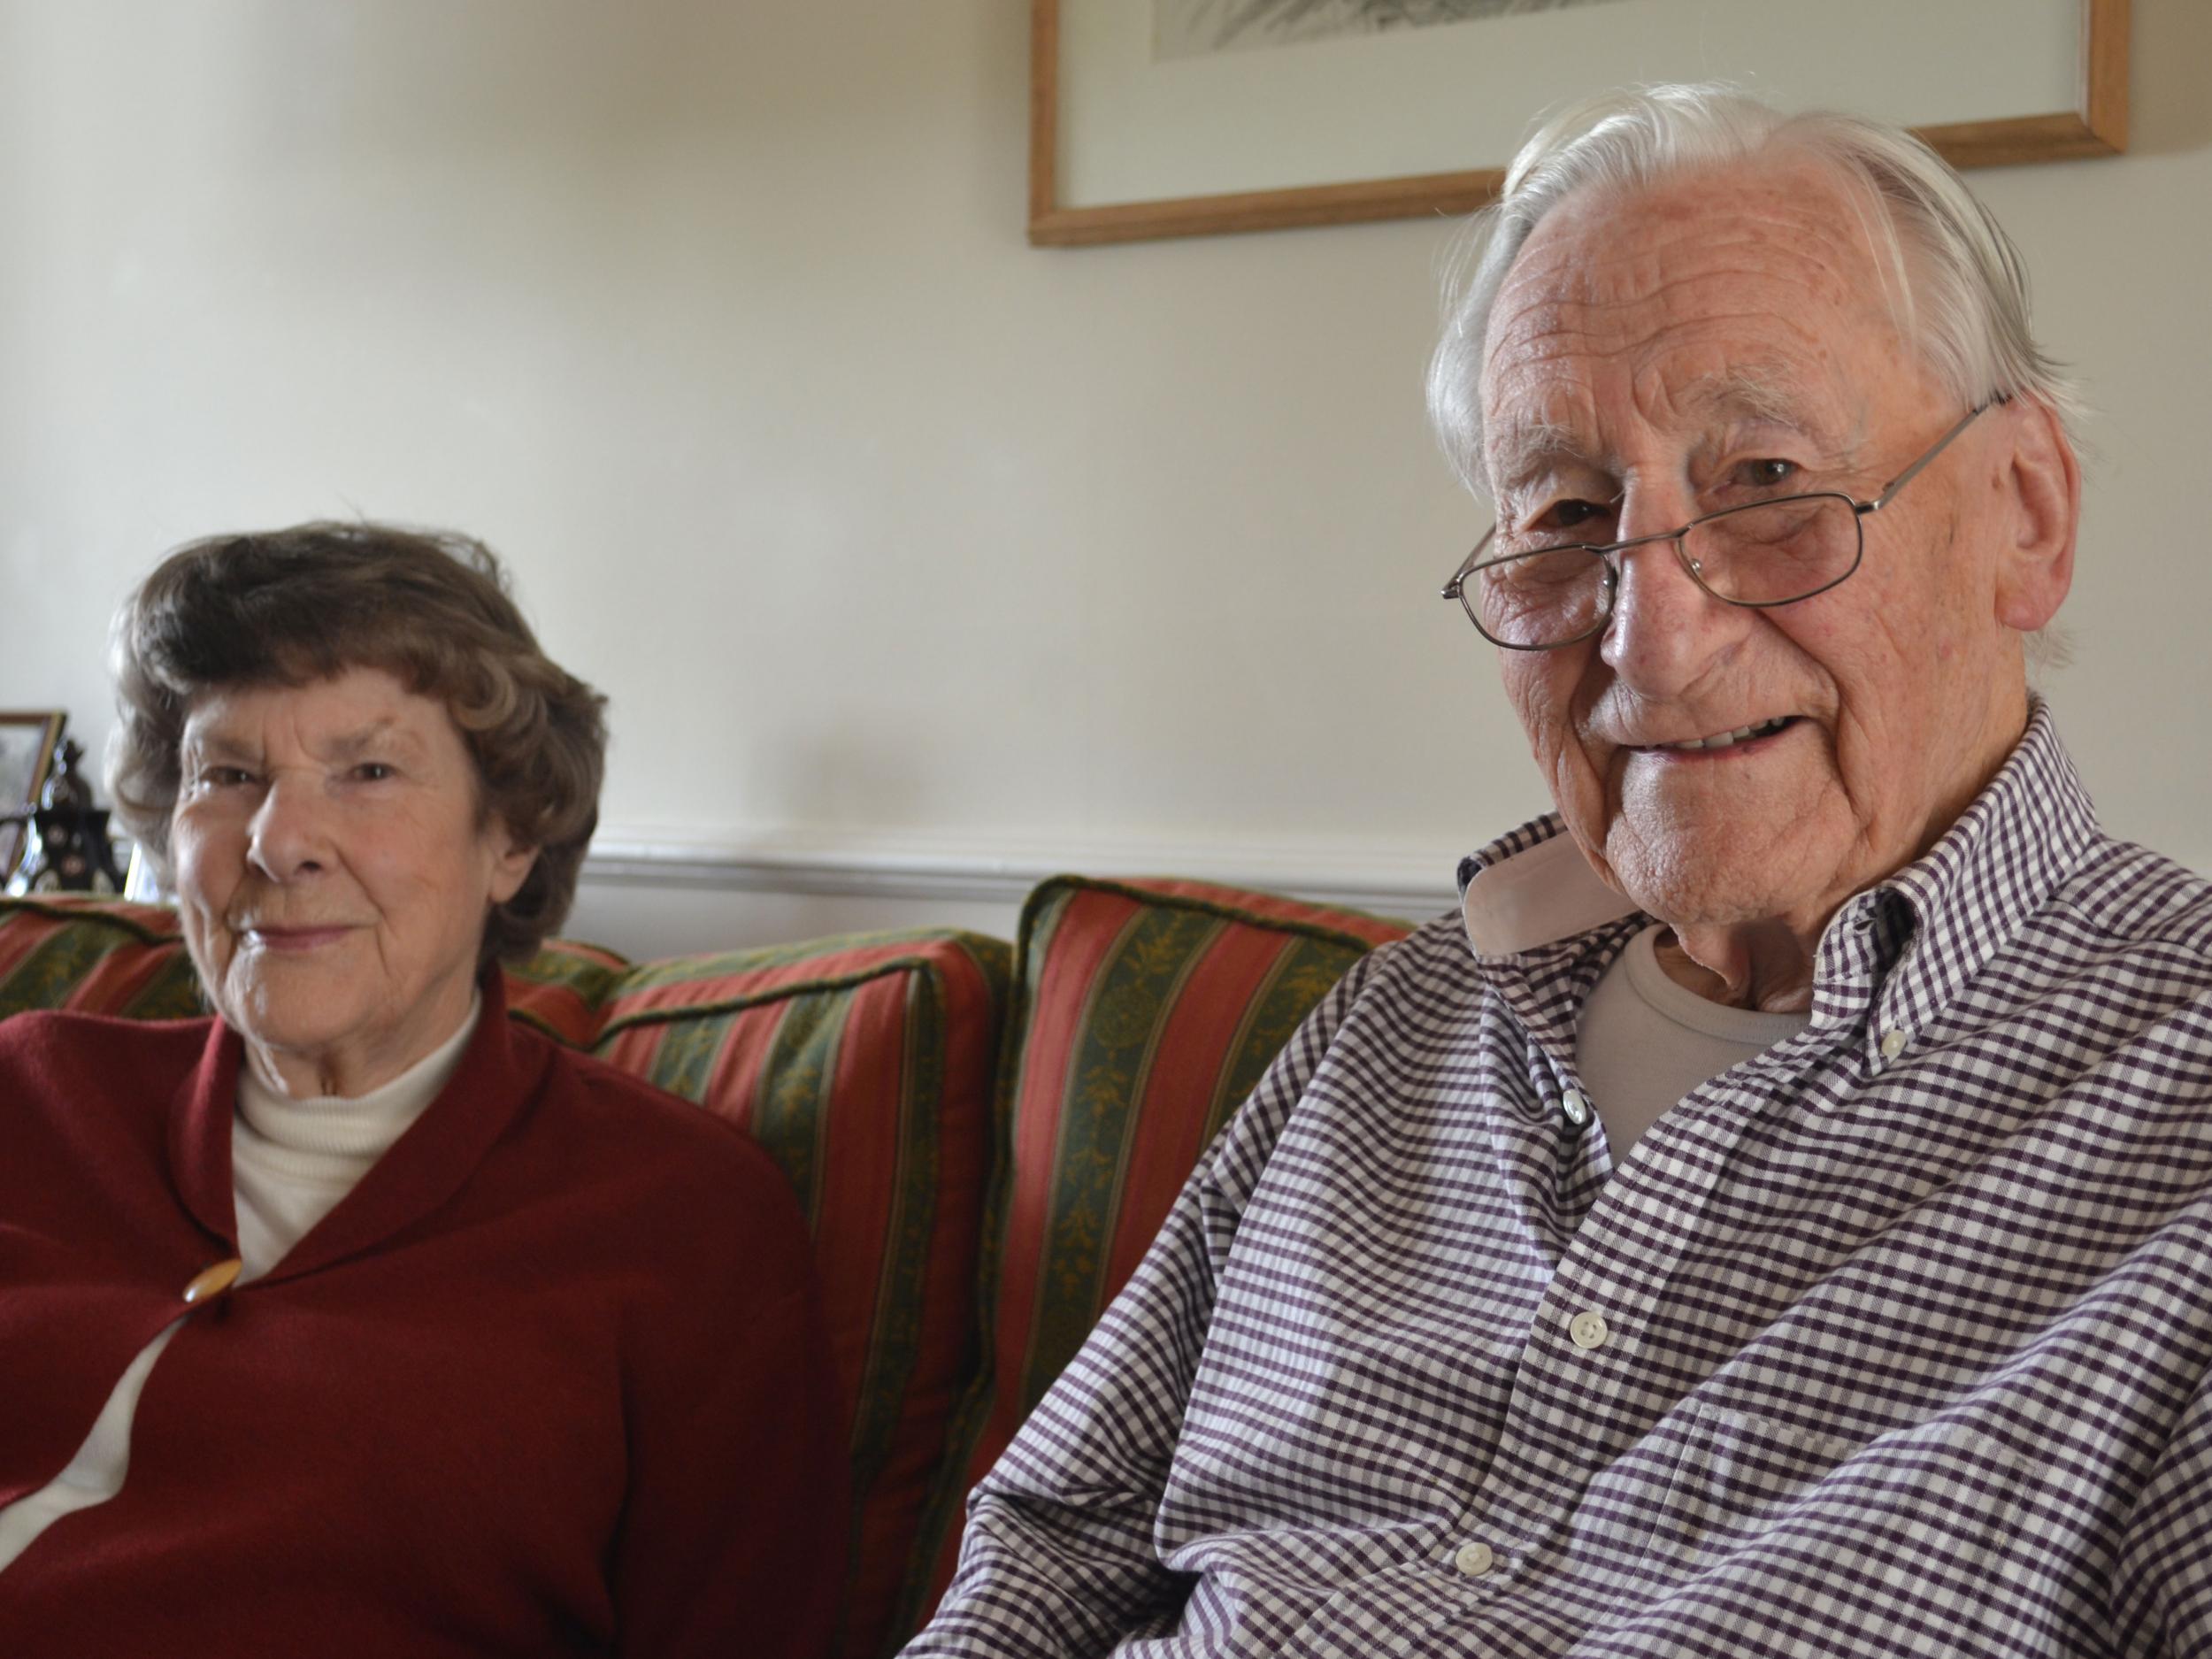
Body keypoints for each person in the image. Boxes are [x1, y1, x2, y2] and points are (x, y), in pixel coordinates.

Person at [907, 86, 2212, 1657]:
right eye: (1569, 511)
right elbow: (1052, 1544)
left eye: (1769, 480)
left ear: (2027, 515)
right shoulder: (1398, 1023)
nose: (1652, 643)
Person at [0, 522, 844, 1655]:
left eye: (369, 772)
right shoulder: (33, 1096)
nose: (281, 841)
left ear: (511, 840)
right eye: (230, 775)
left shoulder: (682, 1224)